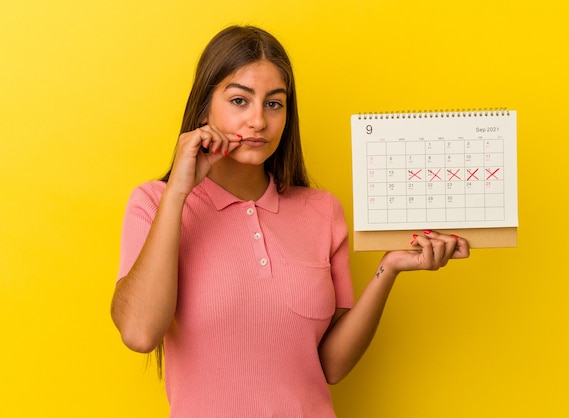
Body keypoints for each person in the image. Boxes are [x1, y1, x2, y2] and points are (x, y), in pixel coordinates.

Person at [111, 25, 470, 417]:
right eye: (239, 100)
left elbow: (331, 366)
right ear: (204, 108)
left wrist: (391, 266)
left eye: (274, 104)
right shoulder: (153, 203)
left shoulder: (322, 211)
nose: (258, 121)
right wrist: (178, 193)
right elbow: (140, 333)